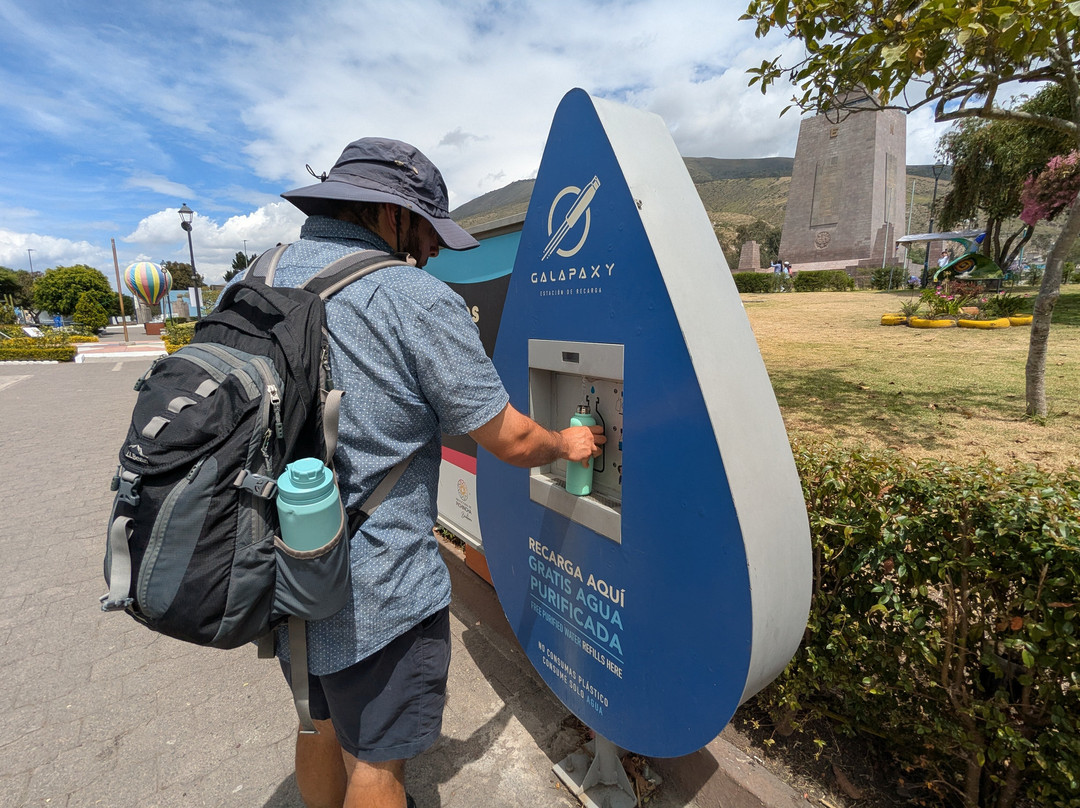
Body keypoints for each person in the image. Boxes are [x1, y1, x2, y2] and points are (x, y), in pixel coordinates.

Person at [252, 137, 605, 808]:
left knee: (316, 721)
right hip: (376, 586)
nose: (432, 251)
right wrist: (570, 442)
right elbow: (510, 436)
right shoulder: (412, 297)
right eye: (425, 230)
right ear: (390, 216)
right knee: (378, 766)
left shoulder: (260, 276)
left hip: (279, 557)